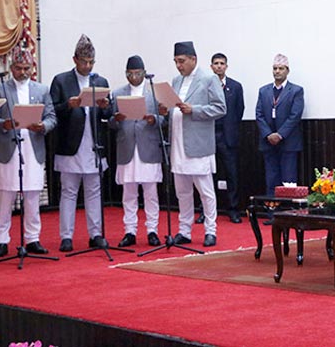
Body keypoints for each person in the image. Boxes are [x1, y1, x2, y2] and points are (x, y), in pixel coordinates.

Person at [0, 46, 57, 258]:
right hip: (8, 146)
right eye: (18, 68)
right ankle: (1, 240)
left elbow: (52, 116)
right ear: (11, 67)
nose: (23, 72)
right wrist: (4, 124)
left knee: (33, 195)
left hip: (33, 147)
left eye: (27, 68)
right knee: (5, 195)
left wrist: (43, 126)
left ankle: (33, 238)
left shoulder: (41, 90)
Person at [50, 34, 112, 252]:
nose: (87, 66)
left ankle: (95, 234)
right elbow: (52, 111)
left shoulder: (100, 81)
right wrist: (69, 105)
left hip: (94, 144)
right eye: (84, 61)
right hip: (70, 145)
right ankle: (66, 236)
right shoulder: (61, 80)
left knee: (94, 191)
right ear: (74, 59)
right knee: (68, 191)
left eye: (91, 62)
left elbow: (109, 112)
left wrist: (105, 106)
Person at [163, 41, 226, 247]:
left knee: (205, 191)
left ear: (193, 59)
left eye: (181, 61)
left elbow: (220, 108)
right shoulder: (176, 81)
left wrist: (195, 110)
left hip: (198, 145)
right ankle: (184, 230)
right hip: (178, 144)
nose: (178, 66)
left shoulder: (209, 79)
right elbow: (174, 108)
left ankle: (210, 230)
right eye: (175, 62)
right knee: (182, 191)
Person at [109, 55, 163, 247]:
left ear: (144, 73)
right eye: (130, 74)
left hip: (147, 147)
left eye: (137, 73)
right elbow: (111, 123)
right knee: (129, 193)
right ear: (126, 74)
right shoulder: (117, 94)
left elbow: (163, 119)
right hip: (126, 149)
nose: (134, 77)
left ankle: (152, 231)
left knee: (150, 193)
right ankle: (130, 231)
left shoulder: (153, 93)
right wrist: (117, 119)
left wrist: (153, 119)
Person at [255, 54, 304, 195]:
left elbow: (295, 116)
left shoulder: (296, 90)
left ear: (287, 70)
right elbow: (259, 115)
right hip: (268, 142)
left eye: (281, 68)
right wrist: (268, 134)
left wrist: (280, 134)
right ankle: (272, 213)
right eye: (275, 68)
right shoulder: (264, 91)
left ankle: (287, 213)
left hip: (288, 142)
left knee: (288, 181)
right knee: (271, 179)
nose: (277, 71)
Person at [210, 53, 245, 224]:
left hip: (228, 137)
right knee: (208, 176)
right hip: (208, 136)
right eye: (215, 63)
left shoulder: (235, 87)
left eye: (222, 63)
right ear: (211, 67)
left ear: (226, 66)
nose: (218, 66)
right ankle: (207, 210)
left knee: (232, 174)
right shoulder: (204, 86)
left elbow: (239, 110)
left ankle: (233, 209)